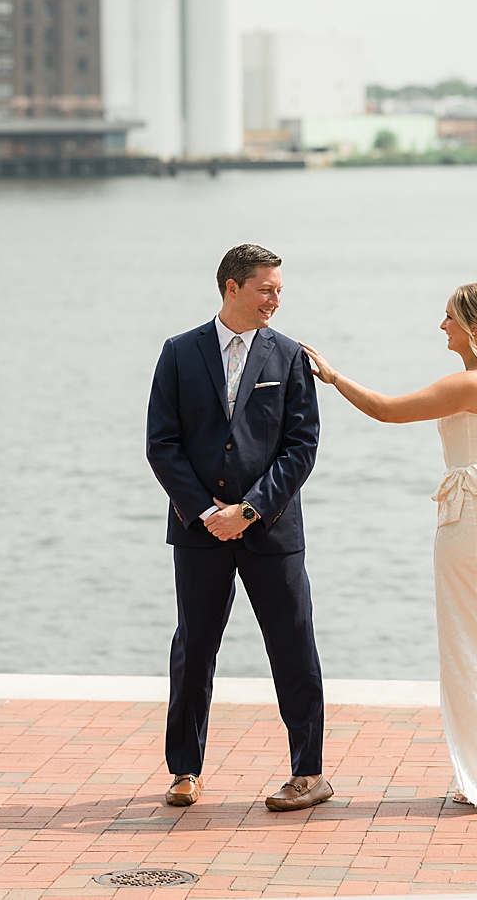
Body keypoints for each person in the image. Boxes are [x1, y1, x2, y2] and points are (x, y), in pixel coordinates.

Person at [301, 282, 477, 811]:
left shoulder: (470, 384)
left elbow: (387, 410)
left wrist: (333, 377)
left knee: (471, 646)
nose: (442, 326)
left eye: (450, 317)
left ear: (475, 328)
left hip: (473, 520)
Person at [145, 244, 334, 812]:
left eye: (279, 289)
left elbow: (302, 447)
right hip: (197, 529)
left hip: (271, 530)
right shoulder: (179, 353)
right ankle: (185, 770)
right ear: (232, 287)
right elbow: (162, 444)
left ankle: (308, 772)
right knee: (194, 647)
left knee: (293, 645)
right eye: (266, 289)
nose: (276, 299)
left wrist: (249, 510)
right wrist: (207, 512)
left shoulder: (290, 357)